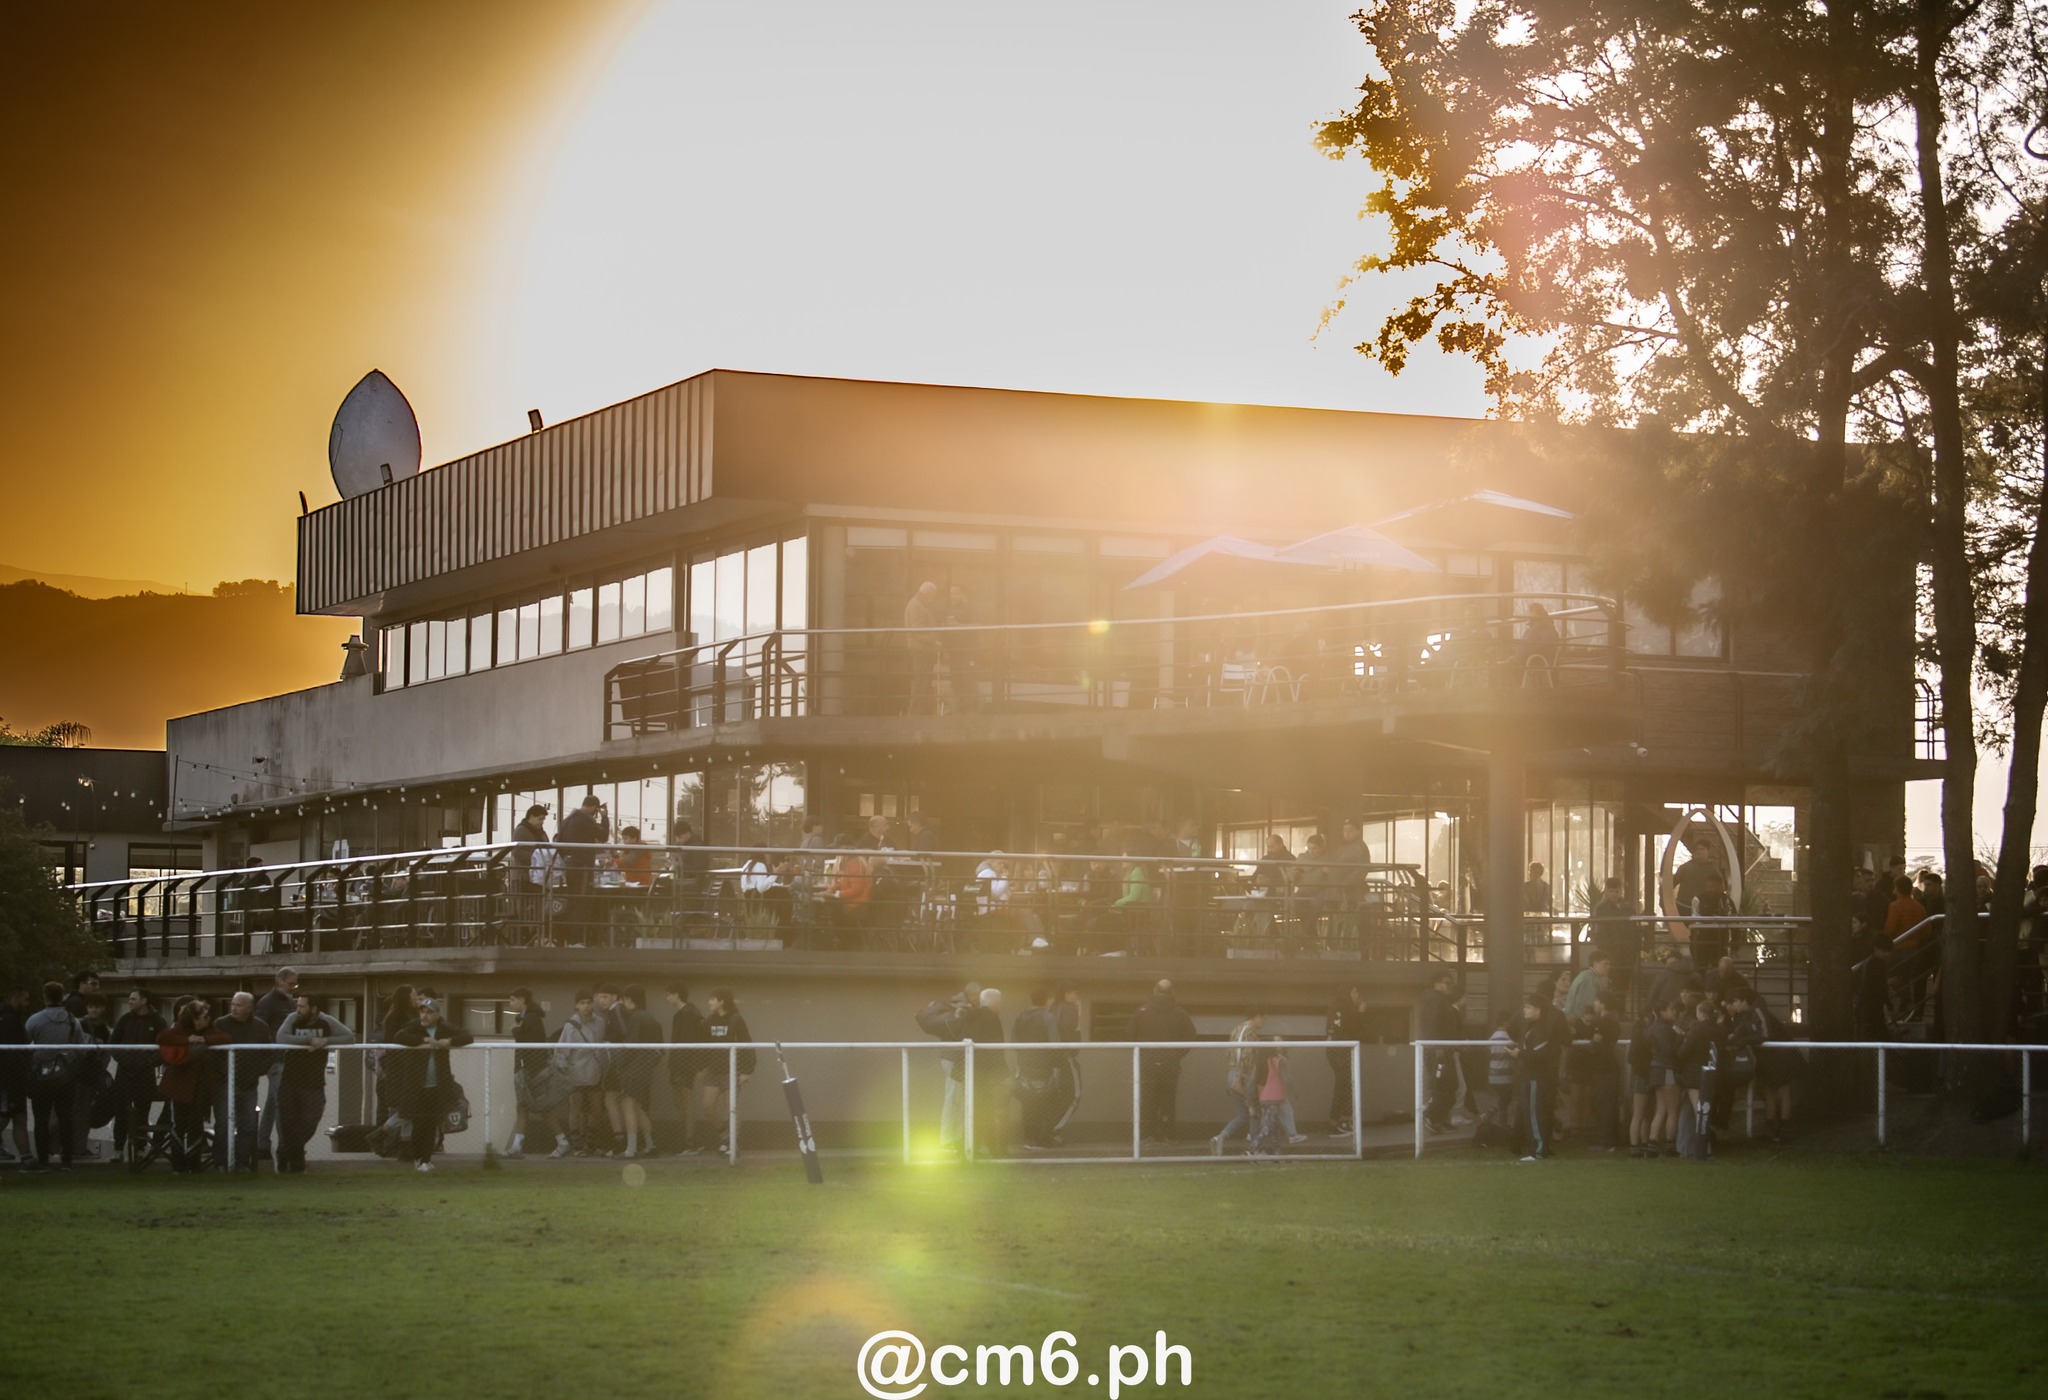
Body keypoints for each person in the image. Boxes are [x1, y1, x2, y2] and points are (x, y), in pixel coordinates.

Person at [272, 993, 355, 1173]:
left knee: (310, 1120)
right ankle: (294, 1161)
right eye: (297, 1005)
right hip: (289, 1081)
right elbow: (281, 1037)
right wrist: (309, 1040)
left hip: (314, 1083)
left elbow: (349, 1037)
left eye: (302, 1006)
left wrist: (325, 1041)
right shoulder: (292, 1019)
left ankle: (287, 1152)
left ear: (314, 1009)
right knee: (287, 1123)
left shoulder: (326, 1021)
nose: (298, 1009)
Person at [387, 997, 473, 1172]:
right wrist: (425, 1040)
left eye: (429, 1012)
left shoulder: (444, 1027)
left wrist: (449, 1041)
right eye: (422, 1011)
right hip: (417, 1086)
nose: (424, 1016)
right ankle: (419, 1159)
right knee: (419, 1123)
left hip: (437, 1086)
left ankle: (426, 1158)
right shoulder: (414, 1026)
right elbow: (399, 1036)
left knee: (432, 1123)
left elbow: (467, 1036)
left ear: (437, 1014)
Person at [24, 982, 89, 1171]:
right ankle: (66, 1160)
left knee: (41, 1120)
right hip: (65, 1077)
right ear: (62, 997)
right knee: (66, 1118)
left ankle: (43, 1160)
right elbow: (81, 1049)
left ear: (45, 997)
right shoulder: (72, 1021)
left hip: (41, 1077)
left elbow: (24, 1045)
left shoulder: (35, 1020)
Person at [156, 998, 223, 1173]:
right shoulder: (179, 1030)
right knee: (178, 1125)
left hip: (200, 1087)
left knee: (195, 1125)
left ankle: (194, 1164)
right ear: (194, 1019)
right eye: (204, 1016)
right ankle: (178, 1165)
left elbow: (225, 1037)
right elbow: (162, 1037)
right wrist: (187, 1040)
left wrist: (204, 1039)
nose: (208, 1019)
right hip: (178, 1086)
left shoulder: (209, 1030)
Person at [211, 991, 275, 1171]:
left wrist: (257, 1071)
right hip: (225, 1083)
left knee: (247, 1125)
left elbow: (269, 1053)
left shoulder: (260, 1027)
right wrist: (226, 1071)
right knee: (223, 1124)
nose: (234, 1008)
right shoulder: (221, 1024)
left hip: (249, 1085)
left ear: (249, 1008)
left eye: (238, 1005)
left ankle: (241, 1162)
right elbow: (213, 1053)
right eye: (233, 1004)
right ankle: (220, 1162)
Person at [1129, 979, 1196, 1144]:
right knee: (1168, 1099)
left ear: (1154, 990)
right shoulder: (1180, 1013)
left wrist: (1142, 1053)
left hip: (1147, 1063)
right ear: (1173, 992)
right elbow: (1190, 1036)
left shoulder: (1142, 1011)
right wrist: (1176, 1054)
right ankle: (1168, 1135)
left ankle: (1146, 1135)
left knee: (1147, 1098)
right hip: (1170, 1064)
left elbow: (1129, 1035)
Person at [505, 987, 569, 1160]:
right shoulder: (526, 1018)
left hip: (535, 1070)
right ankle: (517, 1146)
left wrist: (515, 1031)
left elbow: (530, 1042)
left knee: (541, 1108)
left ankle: (562, 1142)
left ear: (522, 999)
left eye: (513, 999)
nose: (510, 1003)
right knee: (524, 1106)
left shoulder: (531, 1019)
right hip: (529, 1069)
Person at [1506, 991, 1566, 1161]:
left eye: (1528, 1007)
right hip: (1533, 1076)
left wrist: (1519, 1054)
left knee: (1535, 1114)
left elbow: (1540, 1055)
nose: (1524, 1010)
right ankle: (1542, 1148)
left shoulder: (1541, 1030)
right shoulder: (1532, 1027)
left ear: (1538, 1011)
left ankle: (1538, 1151)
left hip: (1536, 1078)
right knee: (1539, 1113)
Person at [694, 989, 755, 1155]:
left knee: (731, 1107)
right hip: (713, 1070)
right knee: (707, 1105)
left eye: (712, 999)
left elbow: (747, 1044)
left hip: (731, 1070)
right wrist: (700, 1067)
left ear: (721, 1001)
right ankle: (725, 1137)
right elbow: (703, 1045)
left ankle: (734, 1144)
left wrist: (747, 1071)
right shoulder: (709, 1021)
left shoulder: (736, 1019)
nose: (709, 1002)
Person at [109, 988, 168, 1157]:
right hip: (124, 1073)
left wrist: (148, 1063)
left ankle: (140, 1148)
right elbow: (113, 1044)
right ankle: (118, 1149)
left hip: (145, 1074)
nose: (130, 1002)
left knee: (143, 1111)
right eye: (129, 999)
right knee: (121, 1112)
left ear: (144, 1000)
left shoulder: (158, 1021)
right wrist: (124, 1060)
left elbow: (163, 1048)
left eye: (133, 999)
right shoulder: (125, 1020)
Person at [552, 991, 608, 1156]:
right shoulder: (571, 1025)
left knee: (596, 1108)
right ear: (576, 1005)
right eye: (582, 1003)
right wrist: (563, 1069)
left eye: (588, 1002)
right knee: (575, 1109)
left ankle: (591, 1145)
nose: (586, 1006)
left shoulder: (601, 1022)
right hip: (576, 1073)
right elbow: (561, 1050)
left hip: (596, 1072)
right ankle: (577, 1145)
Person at [254, 966, 299, 1166]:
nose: (293, 987)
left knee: (273, 1104)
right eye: (291, 984)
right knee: (281, 1104)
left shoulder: (289, 1002)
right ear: (280, 981)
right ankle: (284, 1146)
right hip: (276, 1060)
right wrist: (268, 1060)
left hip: (287, 1060)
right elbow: (261, 1031)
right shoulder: (267, 1003)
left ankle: (263, 1144)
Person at [616, 985, 664, 1158]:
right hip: (645, 1070)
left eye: (624, 999)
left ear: (629, 999)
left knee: (628, 1105)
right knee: (637, 1106)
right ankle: (650, 1145)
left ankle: (631, 1149)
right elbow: (661, 1050)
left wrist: (620, 1066)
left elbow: (630, 1046)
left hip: (633, 1069)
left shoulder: (636, 1017)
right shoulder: (652, 1019)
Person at [1011, 988, 1063, 1150]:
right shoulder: (1048, 1017)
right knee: (1046, 1103)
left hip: (1025, 1065)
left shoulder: (1020, 1017)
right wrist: (1057, 1066)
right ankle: (1043, 1139)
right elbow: (1055, 1044)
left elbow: (1014, 1042)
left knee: (1027, 1102)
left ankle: (1029, 1138)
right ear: (1046, 1000)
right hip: (1044, 1066)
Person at [960, 987, 1009, 1157]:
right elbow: (996, 1048)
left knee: (974, 1110)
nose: (1000, 1006)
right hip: (986, 1074)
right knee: (988, 1111)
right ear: (995, 1002)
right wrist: (1002, 1073)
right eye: (1000, 1003)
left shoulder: (971, 1016)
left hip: (970, 1070)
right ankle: (994, 1149)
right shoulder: (991, 1019)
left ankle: (970, 1149)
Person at [1211, 1007, 1267, 1153]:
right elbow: (1249, 1056)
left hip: (1232, 1073)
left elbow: (1230, 1053)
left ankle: (1220, 1138)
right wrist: (1248, 1076)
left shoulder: (1236, 1029)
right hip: (1245, 1075)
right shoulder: (1251, 1032)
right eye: (1263, 1017)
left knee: (1243, 1114)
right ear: (1257, 1016)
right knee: (1254, 1112)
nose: (1264, 1021)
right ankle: (1254, 1149)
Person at [665, 984, 711, 1154]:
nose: (667, 998)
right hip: (681, 1064)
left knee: (685, 1103)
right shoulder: (690, 1013)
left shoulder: (686, 1015)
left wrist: (697, 1067)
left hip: (683, 1065)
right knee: (681, 1103)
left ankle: (690, 1142)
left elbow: (690, 1041)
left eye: (669, 994)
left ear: (677, 995)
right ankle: (689, 1140)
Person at [1415, 971, 1462, 1135]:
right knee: (1443, 1085)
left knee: (1451, 1085)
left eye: (1451, 983)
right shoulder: (1433, 999)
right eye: (1447, 983)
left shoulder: (1441, 1000)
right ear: (1437, 984)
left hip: (1444, 1050)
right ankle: (1431, 1116)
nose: (1450, 987)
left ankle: (1439, 1119)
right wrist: (1438, 1047)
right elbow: (1432, 1024)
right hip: (1437, 1051)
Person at [1325, 984, 1366, 1135]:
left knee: (1344, 1084)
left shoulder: (1335, 1006)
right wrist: (1360, 1013)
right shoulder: (1345, 1008)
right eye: (1354, 992)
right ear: (1347, 993)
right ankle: (1339, 1122)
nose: (1356, 995)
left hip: (1335, 1050)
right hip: (1341, 1050)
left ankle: (1341, 1121)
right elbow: (1354, 1030)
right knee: (1344, 1084)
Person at [1245, 1038, 1294, 1157]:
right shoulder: (1278, 1061)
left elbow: (1252, 1082)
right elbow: (1287, 1079)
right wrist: (1294, 1091)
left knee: (1273, 1126)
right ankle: (1252, 1148)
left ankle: (1277, 1152)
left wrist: (1250, 1101)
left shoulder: (1260, 1063)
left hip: (1264, 1098)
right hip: (1275, 1097)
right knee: (1267, 1127)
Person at [0, 987, 33, 1164]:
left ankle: (27, 1158)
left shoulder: (11, 1019)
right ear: (15, 998)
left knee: (19, 1117)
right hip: (8, 1080)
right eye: (25, 999)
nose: (27, 1004)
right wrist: (24, 1074)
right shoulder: (9, 1021)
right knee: (5, 1115)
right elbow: (12, 1054)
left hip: (13, 1079)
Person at [904, 580, 942, 715]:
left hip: (923, 650)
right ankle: (915, 712)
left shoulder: (918, 604)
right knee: (921, 681)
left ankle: (922, 711)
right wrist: (933, 641)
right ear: (927, 593)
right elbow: (917, 631)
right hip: (921, 650)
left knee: (924, 681)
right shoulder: (917, 606)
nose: (934, 598)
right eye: (933, 595)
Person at [1564, 953, 1610, 1021]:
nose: (1609, 967)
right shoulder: (1590, 980)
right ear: (1595, 964)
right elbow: (1587, 1008)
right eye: (1605, 963)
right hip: (1580, 1022)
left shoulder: (1585, 975)